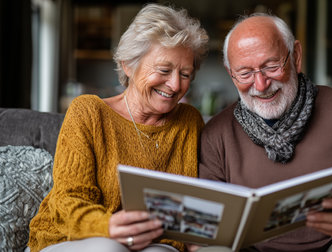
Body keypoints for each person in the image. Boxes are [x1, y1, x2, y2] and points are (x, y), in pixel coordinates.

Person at [198, 13, 332, 252]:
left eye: (271, 66)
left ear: (296, 56)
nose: (260, 85)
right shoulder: (216, 133)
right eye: (245, 73)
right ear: (231, 74)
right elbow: (205, 222)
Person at [28, 4, 208, 252]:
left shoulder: (189, 121)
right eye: (164, 70)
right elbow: (68, 200)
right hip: (73, 239)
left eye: (186, 74)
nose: (175, 84)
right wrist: (109, 226)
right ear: (128, 65)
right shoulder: (89, 112)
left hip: (152, 243)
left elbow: (189, 204)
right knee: (109, 249)